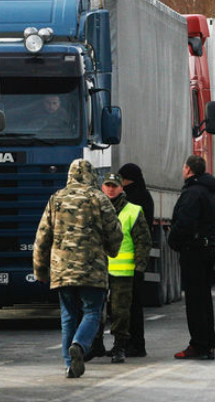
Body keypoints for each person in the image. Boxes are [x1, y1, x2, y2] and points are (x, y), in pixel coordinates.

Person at [32, 159, 123, 379]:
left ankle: (69, 365)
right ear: (92, 176)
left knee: (68, 315)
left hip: (62, 269)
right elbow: (115, 232)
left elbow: (42, 237)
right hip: (92, 268)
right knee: (92, 311)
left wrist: (40, 271)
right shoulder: (99, 199)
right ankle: (80, 345)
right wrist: (112, 250)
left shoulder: (56, 199)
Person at [91, 173, 152, 364]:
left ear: (121, 188)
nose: (110, 189)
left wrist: (139, 268)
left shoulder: (133, 211)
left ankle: (119, 347)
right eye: (107, 185)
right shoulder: (93, 209)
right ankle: (96, 344)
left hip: (123, 272)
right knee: (94, 310)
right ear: (102, 187)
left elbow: (143, 242)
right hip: (98, 270)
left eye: (114, 186)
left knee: (120, 312)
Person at [167, 155, 215, 360]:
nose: (182, 170)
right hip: (208, 249)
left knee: (195, 301)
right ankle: (209, 343)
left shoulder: (192, 193)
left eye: (184, 167)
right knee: (204, 299)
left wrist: (173, 240)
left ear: (189, 170)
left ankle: (199, 345)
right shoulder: (210, 191)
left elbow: (185, 222)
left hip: (194, 251)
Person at [118, 162, 154, 358]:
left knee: (130, 306)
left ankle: (135, 344)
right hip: (135, 259)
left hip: (129, 260)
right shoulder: (144, 196)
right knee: (132, 305)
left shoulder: (132, 199)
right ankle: (133, 343)